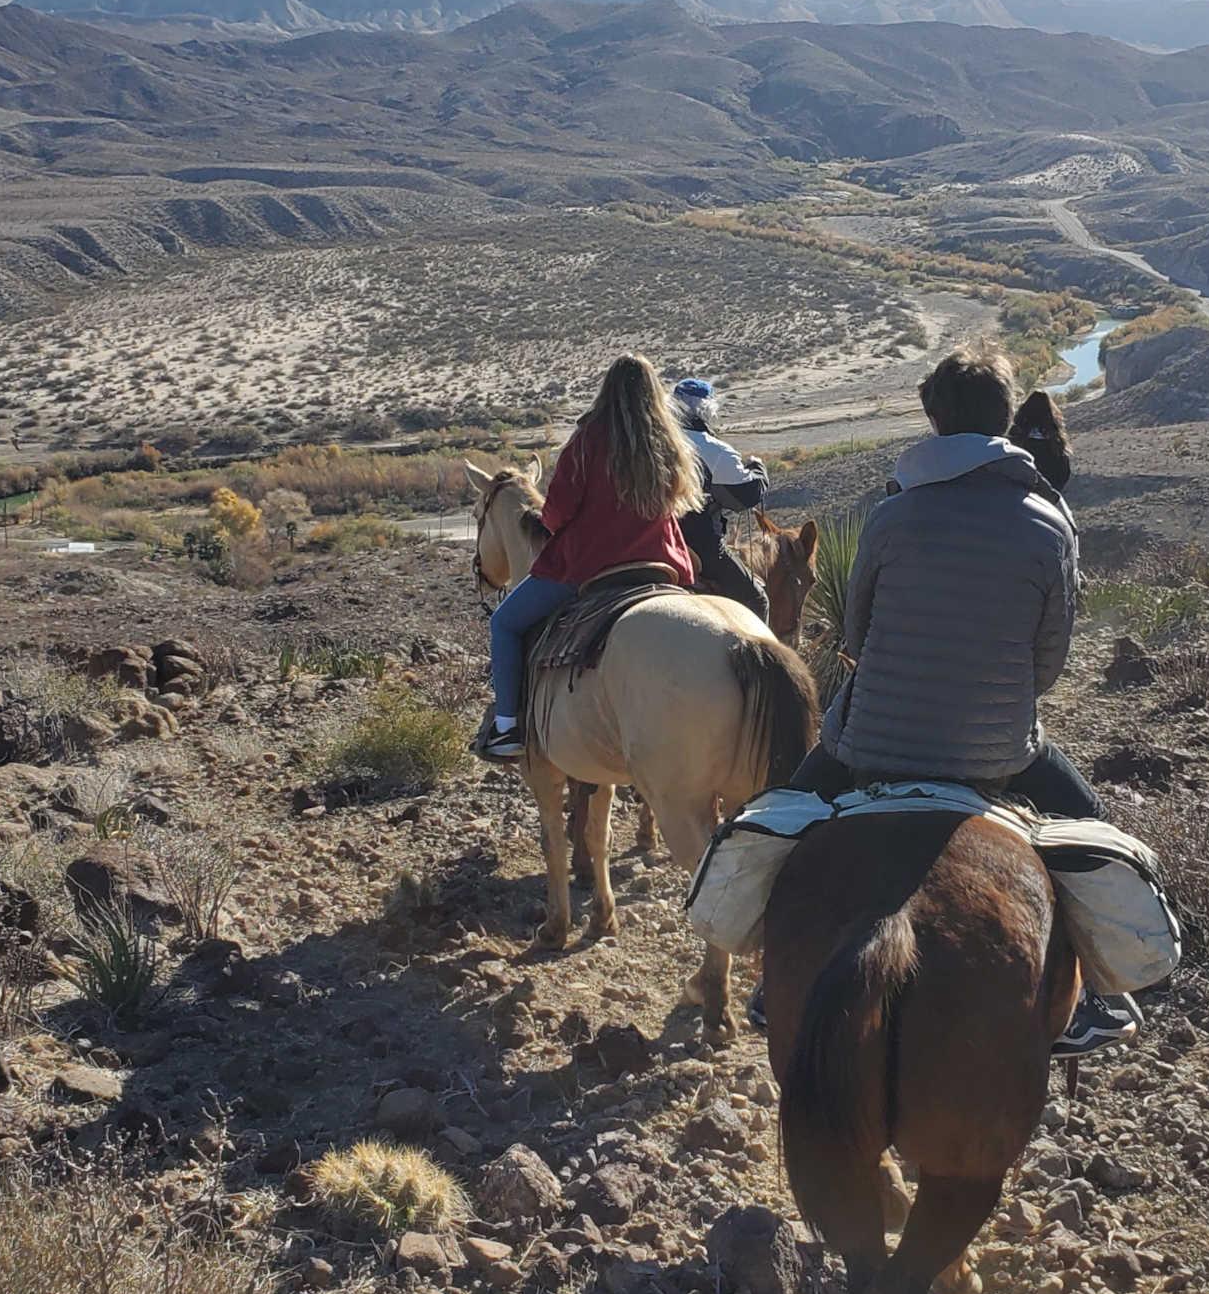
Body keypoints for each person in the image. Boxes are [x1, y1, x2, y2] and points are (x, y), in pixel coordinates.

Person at [781, 343, 1138, 1050]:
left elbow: (855, 636)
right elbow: (1049, 663)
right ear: (1006, 419)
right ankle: (1108, 995)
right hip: (997, 753)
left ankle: (771, 981)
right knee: (1097, 832)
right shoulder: (1050, 523)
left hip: (870, 744)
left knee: (783, 818)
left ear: (934, 417)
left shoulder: (891, 517)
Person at [477, 356, 701, 763]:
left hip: (589, 566)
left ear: (606, 390)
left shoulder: (587, 439)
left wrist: (552, 518)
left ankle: (507, 726)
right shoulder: (667, 441)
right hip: (660, 564)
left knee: (505, 624)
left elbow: (557, 513)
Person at [671, 376, 770, 619]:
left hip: (651, 541)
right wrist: (758, 469)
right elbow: (746, 495)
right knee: (757, 600)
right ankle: (754, 657)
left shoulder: (651, 443)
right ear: (707, 411)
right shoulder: (714, 450)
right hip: (700, 546)